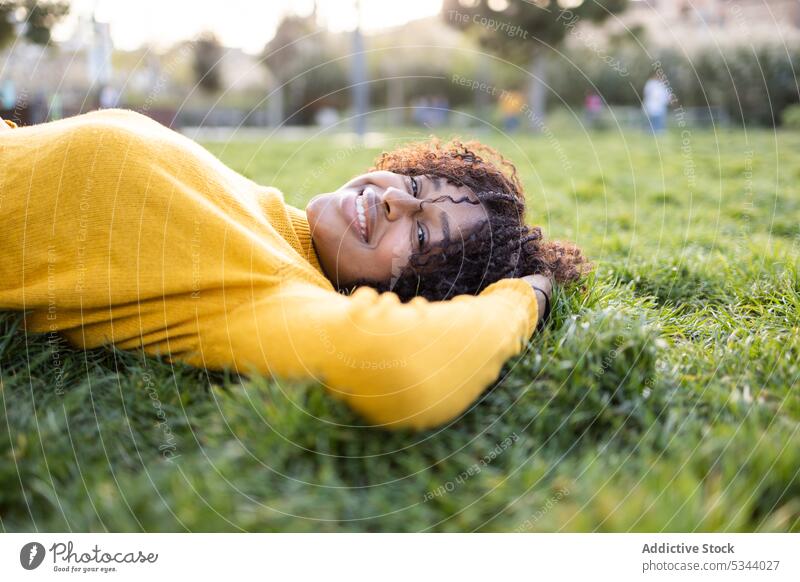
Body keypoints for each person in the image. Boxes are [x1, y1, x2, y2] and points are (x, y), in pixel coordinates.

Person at [0, 109, 589, 430]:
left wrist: (526, 294)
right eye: (416, 185)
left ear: (418, 293)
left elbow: (409, 367)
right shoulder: (276, 221)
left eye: (419, 232)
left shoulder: (275, 291)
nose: (395, 201)